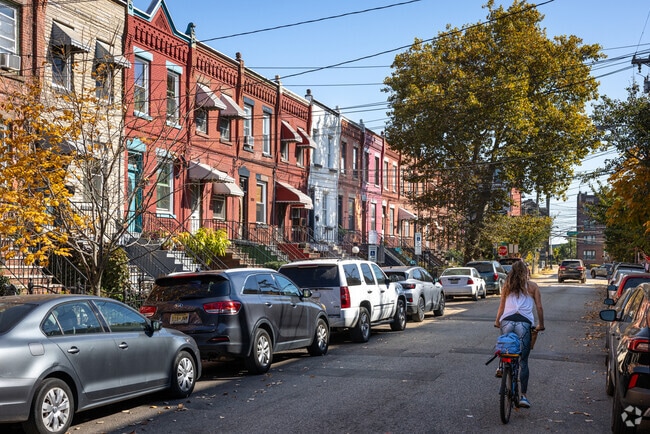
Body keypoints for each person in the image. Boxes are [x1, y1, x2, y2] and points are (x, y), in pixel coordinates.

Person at [494, 259, 545, 408]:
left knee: (506, 345)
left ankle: (502, 367)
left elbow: (502, 306)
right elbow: (539, 307)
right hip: (524, 323)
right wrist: (541, 324)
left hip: (507, 322)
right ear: (526, 272)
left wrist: (497, 321)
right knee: (523, 361)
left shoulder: (507, 286)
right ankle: (523, 396)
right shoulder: (533, 287)